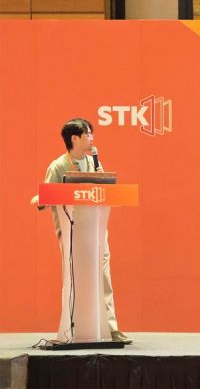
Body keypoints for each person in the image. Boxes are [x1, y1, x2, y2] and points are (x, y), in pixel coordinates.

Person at [31, 118, 131, 344]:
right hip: (72, 233)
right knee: (75, 279)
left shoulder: (94, 163)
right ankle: (73, 329)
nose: (92, 138)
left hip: (96, 232)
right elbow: (45, 197)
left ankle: (110, 328)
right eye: (88, 134)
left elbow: (106, 192)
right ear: (74, 138)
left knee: (103, 276)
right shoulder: (58, 166)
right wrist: (40, 198)